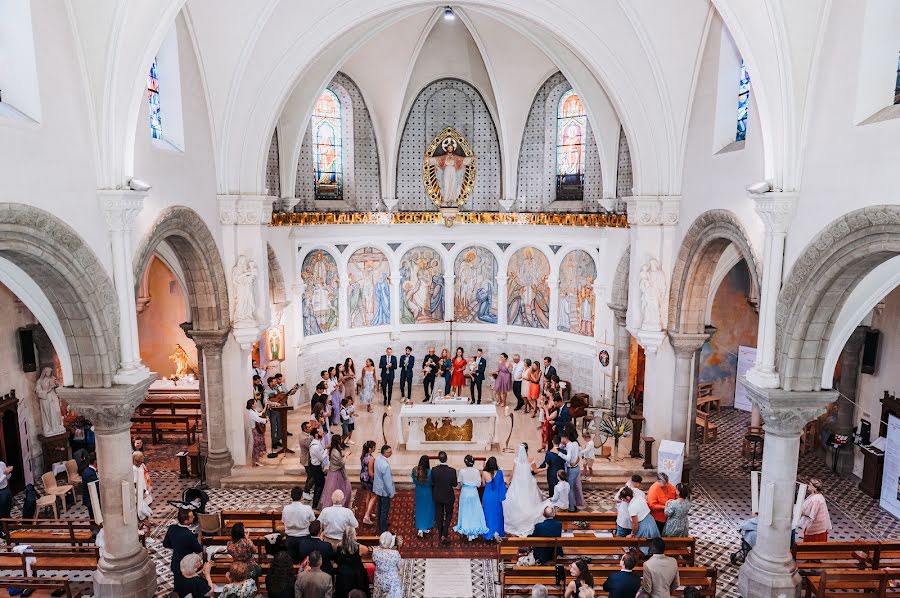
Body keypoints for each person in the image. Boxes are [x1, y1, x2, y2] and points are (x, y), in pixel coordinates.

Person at [504, 444, 545, 537]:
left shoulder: (516, 460)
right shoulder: (530, 459)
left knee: (517, 500)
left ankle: (517, 519)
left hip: (517, 483)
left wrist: (508, 481)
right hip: (527, 483)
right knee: (528, 500)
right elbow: (535, 470)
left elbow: (512, 472)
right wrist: (545, 468)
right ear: (527, 450)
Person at [164, 509, 202, 594]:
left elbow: (166, 544)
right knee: (187, 589)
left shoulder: (172, 528)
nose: (194, 517)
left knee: (177, 587)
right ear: (186, 521)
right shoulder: (189, 535)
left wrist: (176, 547)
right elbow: (199, 549)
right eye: (192, 517)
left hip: (176, 562)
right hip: (187, 565)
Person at [454, 454, 488, 540]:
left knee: (465, 511)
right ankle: (474, 529)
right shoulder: (476, 471)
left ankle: (466, 528)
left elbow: (460, 484)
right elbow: (479, 484)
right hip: (473, 492)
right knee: (474, 511)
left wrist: (465, 485)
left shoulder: (462, 471)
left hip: (465, 492)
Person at [335, 526, 371, 598]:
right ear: (353, 535)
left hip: (343, 575)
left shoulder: (338, 546)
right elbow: (367, 551)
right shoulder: (360, 547)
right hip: (356, 575)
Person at [282, 486, 315, 563]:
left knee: (292, 561)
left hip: (290, 538)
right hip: (304, 537)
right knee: (304, 561)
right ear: (301, 497)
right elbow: (313, 520)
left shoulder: (286, 508)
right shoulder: (307, 508)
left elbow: (283, 521)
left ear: (291, 496)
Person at [431, 450, 457, 544]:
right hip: (448, 496)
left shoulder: (434, 470)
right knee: (449, 513)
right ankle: (444, 533)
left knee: (439, 515)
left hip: (437, 495)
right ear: (447, 459)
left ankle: (440, 533)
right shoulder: (452, 471)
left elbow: (432, 482)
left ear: (439, 459)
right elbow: (454, 484)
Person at [322, 436, 352, 508]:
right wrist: (346, 455)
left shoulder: (335, 449)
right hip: (335, 474)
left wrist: (343, 455)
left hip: (338, 472)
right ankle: (335, 505)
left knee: (344, 488)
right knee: (335, 490)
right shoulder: (334, 451)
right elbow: (341, 463)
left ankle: (343, 503)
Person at [481, 456, 506, 540]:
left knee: (488, 514)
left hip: (487, 496)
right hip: (496, 496)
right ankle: (497, 531)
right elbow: (502, 485)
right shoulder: (500, 473)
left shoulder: (484, 472)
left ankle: (489, 532)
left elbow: (484, 484)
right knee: (497, 514)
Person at [800, 478, 832, 542]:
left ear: (815, 488)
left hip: (816, 528)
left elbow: (811, 514)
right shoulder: (818, 496)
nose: (808, 486)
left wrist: (800, 512)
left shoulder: (816, 499)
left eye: (810, 485)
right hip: (820, 526)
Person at [372, 531, 403, 598]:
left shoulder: (375, 552)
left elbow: (374, 563)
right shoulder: (395, 553)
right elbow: (399, 567)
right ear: (391, 542)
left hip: (379, 578)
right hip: (392, 580)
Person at [373, 444, 395, 533]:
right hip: (384, 490)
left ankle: (381, 523)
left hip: (378, 487)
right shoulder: (385, 465)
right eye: (389, 452)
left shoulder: (377, 460)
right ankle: (383, 529)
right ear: (385, 453)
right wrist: (391, 492)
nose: (391, 453)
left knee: (380, 507)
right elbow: (387, 481)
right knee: (384, 509)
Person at [412, 455, 434, 537]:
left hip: (418, 491)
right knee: (427, 509)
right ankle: (425, 527)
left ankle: (420, 528)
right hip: (427, 492)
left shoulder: (415, 470)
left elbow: (414, 480)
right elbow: (431, 482)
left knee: (419, 508)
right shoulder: (429, 472)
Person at [560, 432, 583, 511]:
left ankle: (572, 508)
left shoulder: (569, 445)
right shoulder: (575, 443)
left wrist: (559, 453)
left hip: (571, 470)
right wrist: (577, 461)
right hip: (576, 468)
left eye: (562, 438)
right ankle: (574, 504)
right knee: (573, 488)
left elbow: (568, 458)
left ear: (565, 438)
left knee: (570, 489)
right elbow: (579, 452)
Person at [309, 427, 327, 509]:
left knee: (319, 484)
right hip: (316, 467)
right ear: (316, 435)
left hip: (318, 466)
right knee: (320, 485)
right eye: (320, 432)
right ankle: (315, 504)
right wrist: (326, 450)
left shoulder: (318, 442)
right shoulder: (315, 446)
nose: (322, 433)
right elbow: (321, 457)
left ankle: (317, 501)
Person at [360, 440, 378, 526]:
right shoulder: (371, 458)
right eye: (374, 447)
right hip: (368, 479)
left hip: (363, 477)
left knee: (368, 495)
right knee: (374, 496)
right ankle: (366, 516)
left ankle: (368, 511)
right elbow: (371, 473)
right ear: (370, 449)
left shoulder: (363, 456)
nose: (375, 448)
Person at [246, 398, 267, 466]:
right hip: (255, 430)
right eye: (255, 402)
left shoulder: (254, 410)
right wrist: (265, 420)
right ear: (252, 405)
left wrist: (265, 407)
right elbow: (258, 419)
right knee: (256, 445)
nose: (256, 403)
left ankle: (257, 459)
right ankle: (256, 461)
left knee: (259, 443)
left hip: (257, 429)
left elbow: (259, 414)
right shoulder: (251, 413)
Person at [298, 422, 315, 501]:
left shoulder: (305, 435)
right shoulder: (304, 438)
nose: (311, 428)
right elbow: (311, 447)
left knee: (310, 476)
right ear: (305, 429)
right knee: (312, 476)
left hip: (308, 458)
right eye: (309, 427)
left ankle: (307, 490)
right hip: (307, 459)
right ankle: (306, 491)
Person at [80, 454, 97, 520]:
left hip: (90, 498)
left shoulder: (88, 470)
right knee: (93, 516)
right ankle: (94, 529)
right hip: (90, 499)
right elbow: (94, 487)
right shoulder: (89, 474)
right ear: (96, 462)